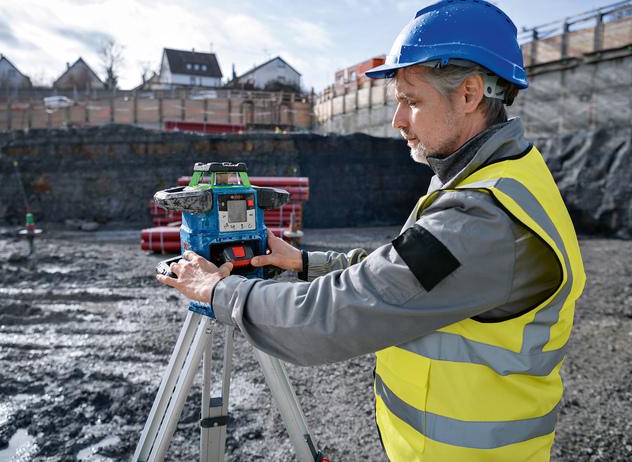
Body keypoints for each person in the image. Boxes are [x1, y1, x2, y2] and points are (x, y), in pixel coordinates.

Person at [157, 1, 586, 460]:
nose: (398, 120)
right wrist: (303, 263)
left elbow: (331, 317)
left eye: (411, 101)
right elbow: (407, 275)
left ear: (469, 94)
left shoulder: (482, 218)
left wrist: (218, 292)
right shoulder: (496, 179)